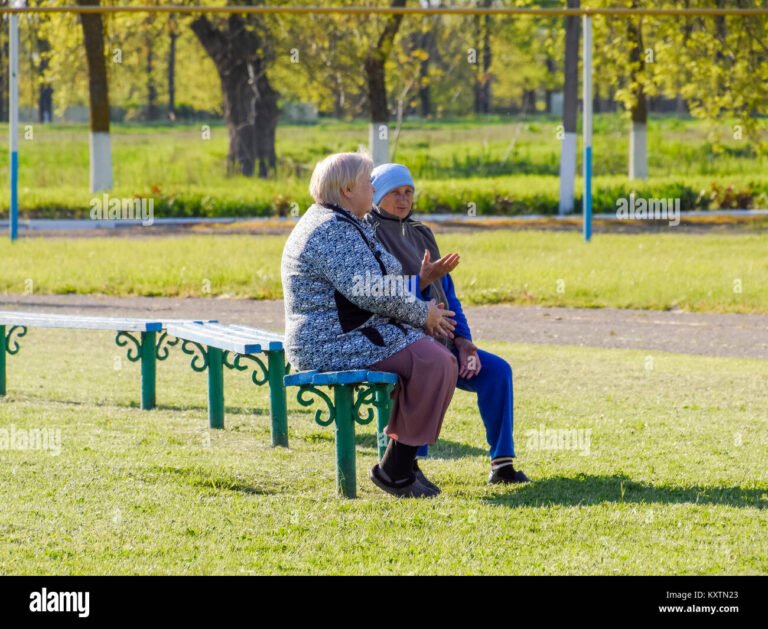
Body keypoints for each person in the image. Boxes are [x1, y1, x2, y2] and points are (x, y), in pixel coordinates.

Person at [281, 152, 459, 498]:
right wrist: (422, 314)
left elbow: (379, 284)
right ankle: (395, 471)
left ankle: (404, 464)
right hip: (330, 343)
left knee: (436, 359)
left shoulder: (344, 220)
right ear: (347, 189)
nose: (373, 188)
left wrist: (423, 309)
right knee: (434, 362)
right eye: (368, 182)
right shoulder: (330, 229)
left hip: (351, 335)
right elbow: (370, 290)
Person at [367, 162, 530, 484]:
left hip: (445, 341)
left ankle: (502, 466)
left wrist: (464, 341)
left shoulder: (421, 233)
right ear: (376, 194)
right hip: (403, 344)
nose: (403, 199)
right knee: (423, 372)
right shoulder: (369, 234)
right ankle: (408, 467)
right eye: (395, 192)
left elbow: (448, 295)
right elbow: (377, 295)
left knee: (497, 371)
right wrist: (421, 281)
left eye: (409, 192)